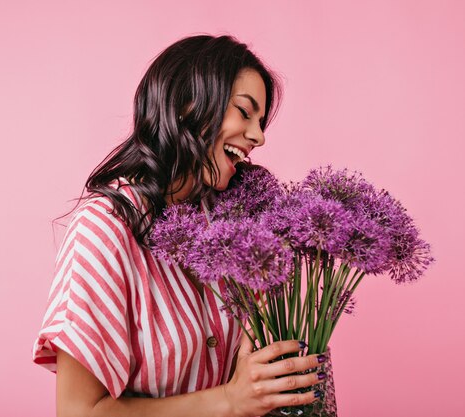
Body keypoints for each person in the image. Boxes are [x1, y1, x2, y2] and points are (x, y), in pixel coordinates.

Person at [32, 34, 326, 417]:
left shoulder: (231, 224)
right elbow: (78, 412)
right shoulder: (105, 229)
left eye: (261, 120)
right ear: (187, 105)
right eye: (244, 111)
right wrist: (230, 401)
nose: (259, 136)